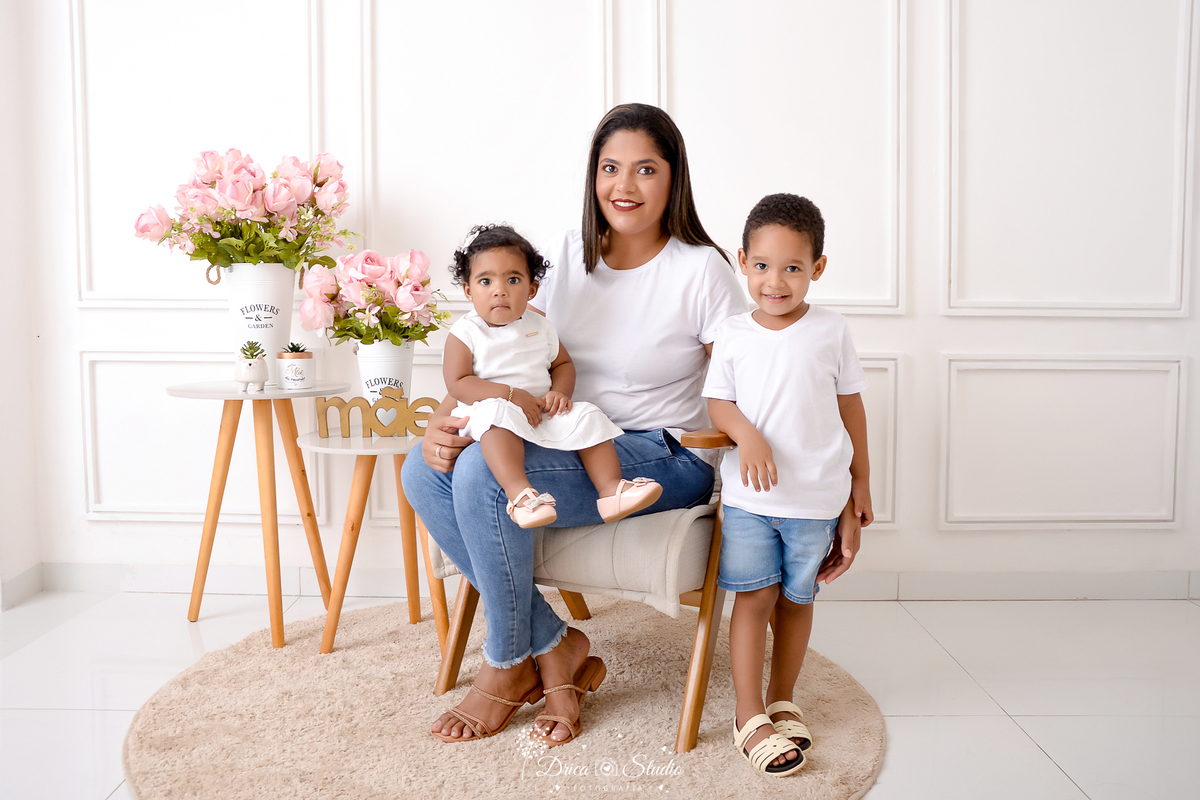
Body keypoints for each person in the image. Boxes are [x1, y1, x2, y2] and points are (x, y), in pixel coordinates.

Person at [402, 103, 748, 748]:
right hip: (558, 436)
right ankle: (555, 644)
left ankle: (506, 663)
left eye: (646, 169)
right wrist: (446, 423)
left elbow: (746, 387)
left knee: (481, 476)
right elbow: (504, 353)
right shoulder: (564, 256)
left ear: (674, 178)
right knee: (422, 470)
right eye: (610, 168)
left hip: (662, 453)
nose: (624, 185)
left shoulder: (701, 270)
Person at [702, 193, 872, 776]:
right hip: (750, 501)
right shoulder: (732, 333)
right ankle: (749, 715)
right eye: (762, 266)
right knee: (754, 598)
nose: (775, 282)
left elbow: (851, 408)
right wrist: (748, 436)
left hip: (817, 500)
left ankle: (781, 700)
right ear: (743, 261)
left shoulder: (830, 330)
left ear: (817, 268)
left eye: (793, 268)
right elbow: (718, 402)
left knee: (798, 600)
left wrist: (861, 482)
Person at [442, 223, 663, 529]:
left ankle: (611, 489)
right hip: (488, 412)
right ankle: (521, 496)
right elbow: (458, 383)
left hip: (539, 410)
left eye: (513, 279)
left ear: (532, 289)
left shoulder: (541, 326)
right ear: (468, 290)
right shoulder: (465, 332)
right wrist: (510, 395)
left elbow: (563, 365)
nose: (499, 290)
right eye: (485, 281)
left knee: (586, 414)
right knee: (496, 417)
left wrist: (559, 392)